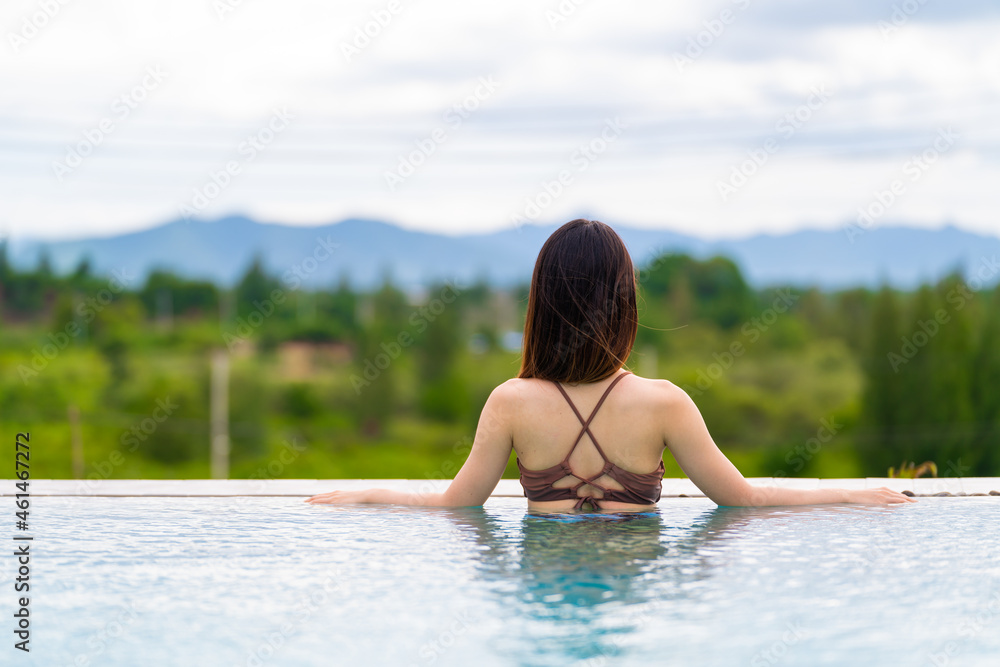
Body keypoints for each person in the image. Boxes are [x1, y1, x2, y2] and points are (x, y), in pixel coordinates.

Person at [306, 219, 915, 510]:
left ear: (541, 301)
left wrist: (361, 498)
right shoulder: (664, 403)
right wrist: (860, 497)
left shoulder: (510, 403)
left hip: (542, 598)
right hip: (632, 599)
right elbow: (745, 500)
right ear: (624, 301)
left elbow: (455, 505)